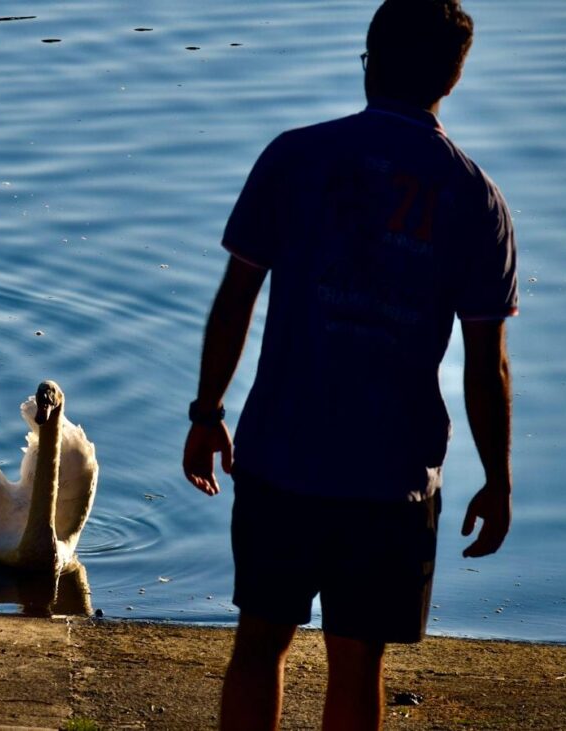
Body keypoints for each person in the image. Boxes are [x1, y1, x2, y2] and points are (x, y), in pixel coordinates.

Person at [182, 1, 517, 729]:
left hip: (280, 457)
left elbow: (236, 298)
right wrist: (497, 477)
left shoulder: (294, 158)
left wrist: (207, 413)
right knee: (359, 659)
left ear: (369, 62)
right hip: (391, 479)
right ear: (453, 80)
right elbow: (485, 365)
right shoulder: (475, 199)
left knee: (259, 643)